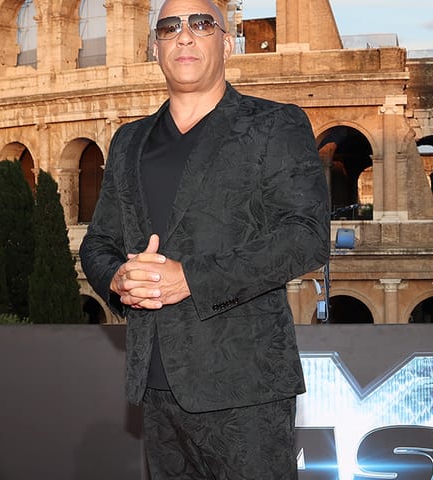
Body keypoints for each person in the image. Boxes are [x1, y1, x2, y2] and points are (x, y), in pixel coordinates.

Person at [79, 0, 329, 477]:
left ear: (227, 44)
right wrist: (119, 280)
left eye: (201, 23)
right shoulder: (129, 140)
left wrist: (191, 278)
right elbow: (98, 243)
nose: (184, 36)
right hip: (155, 386)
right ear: (155, 48)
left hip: (246, 388)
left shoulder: (274, 124)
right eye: (169, 27)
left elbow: (307, 236)